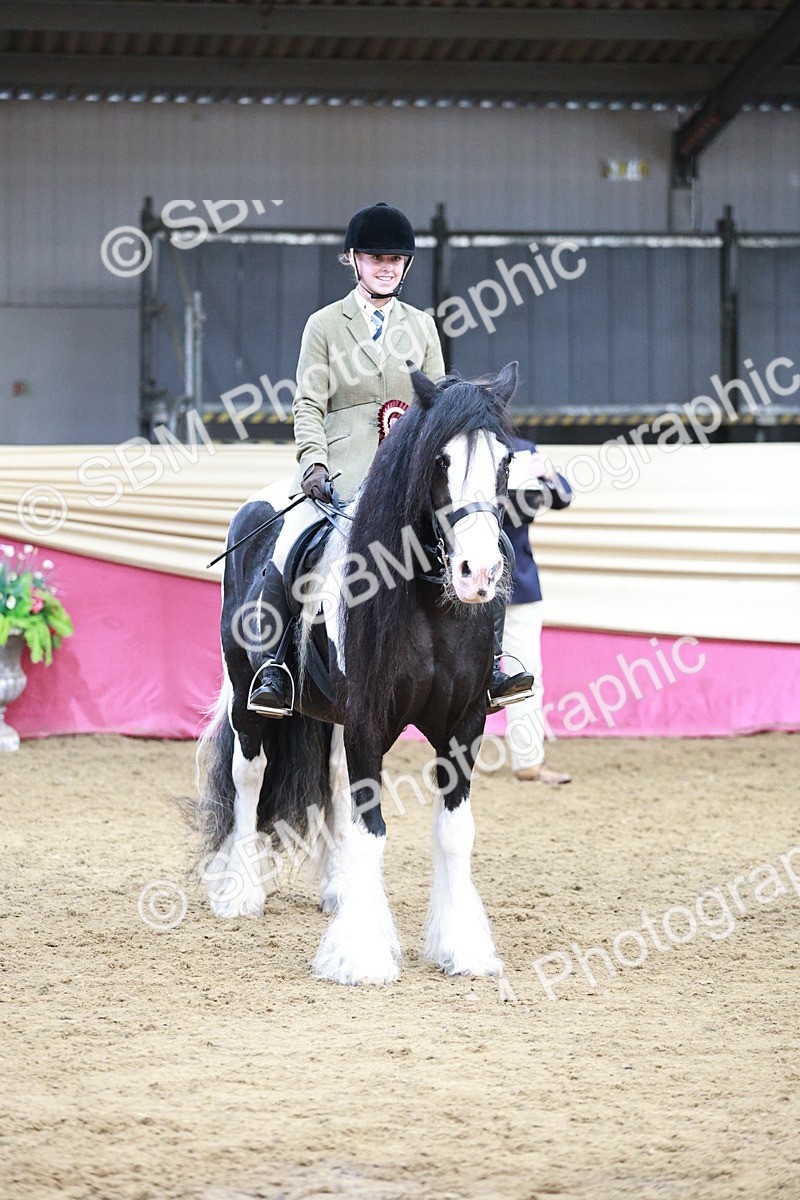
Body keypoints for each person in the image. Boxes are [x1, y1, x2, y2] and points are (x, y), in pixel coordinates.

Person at [248, 201, 534, 716]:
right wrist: (313, 461)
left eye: (395, 259)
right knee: (291, 545)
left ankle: (490, 665)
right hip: (339, 473)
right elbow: (309, 401)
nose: (385, 266)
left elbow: (441, 408)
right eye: (375, 257)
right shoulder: (325, 325)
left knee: (488, 548)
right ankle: (276, 667)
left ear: (406, 266)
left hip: (407, 479)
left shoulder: (422, 326)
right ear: (354, 260)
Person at [501, 438, 573, 784]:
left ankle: (528, 759)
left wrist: (549, 473)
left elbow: (563, 496)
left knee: (527, 674)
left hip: (516, 583)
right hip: (478, 587)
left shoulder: (523, 451)